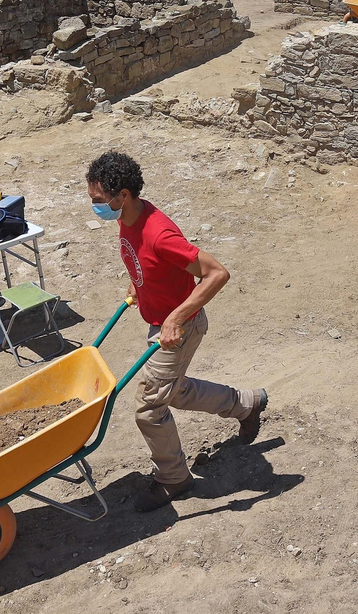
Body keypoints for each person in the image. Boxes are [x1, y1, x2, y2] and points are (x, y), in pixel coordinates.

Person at [86, 151, 268, 512]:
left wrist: (176, 317)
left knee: (149, 408)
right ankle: (246, 404)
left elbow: (217, 273)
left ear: (122, 195)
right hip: (160, 321)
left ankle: (173, 478)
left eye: (98, 200)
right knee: (175, 391)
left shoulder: (159, 232)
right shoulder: (129, 215)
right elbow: (143, 259)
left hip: (178, 328)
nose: (94, 207)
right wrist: (137, 283)